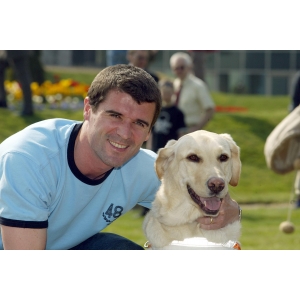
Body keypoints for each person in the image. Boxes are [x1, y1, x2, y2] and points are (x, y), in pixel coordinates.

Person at [0, 64, 240, 250]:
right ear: (87, 109)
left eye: (139, 123)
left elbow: (208, 199)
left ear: (149, 131)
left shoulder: (144, 168)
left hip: (64, 249)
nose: (125, 134)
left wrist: (232, 210)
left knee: (117, 249)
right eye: (114, 115)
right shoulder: (29, 160)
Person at [170, 52, 215, 134]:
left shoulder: (198, 85)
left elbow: (210, 110)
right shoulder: (174, 84)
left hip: (190, 131)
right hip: (173, 131)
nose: (179, 70)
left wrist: (197, 128)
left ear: (189, 67)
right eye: (176, 68)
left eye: (182, 67)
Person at [0, 50, 34, 116]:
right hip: (4, 51)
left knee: (23, 76)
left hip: (18, 51)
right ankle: (2, 101)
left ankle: (28, 108)